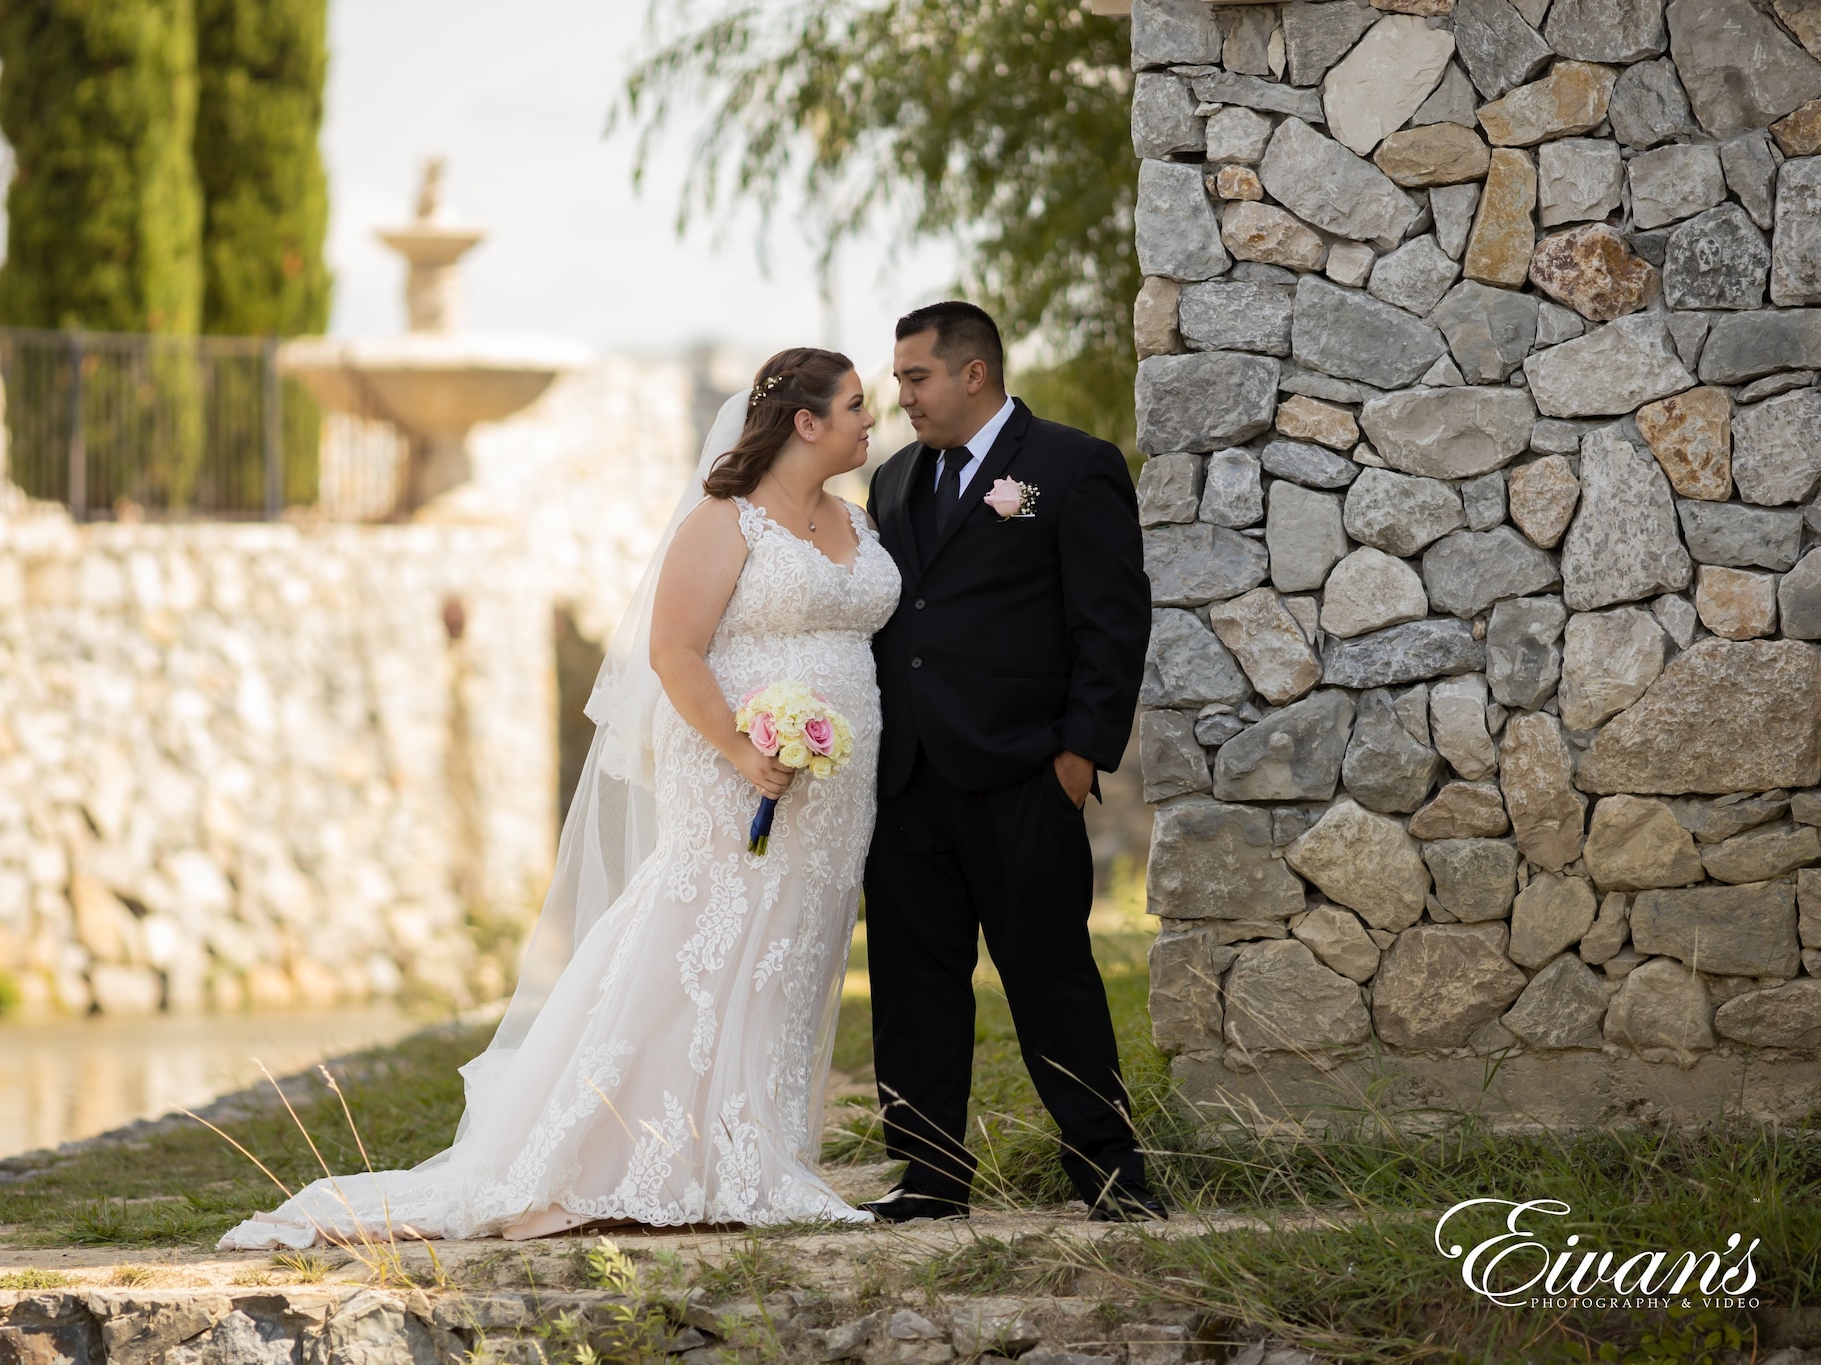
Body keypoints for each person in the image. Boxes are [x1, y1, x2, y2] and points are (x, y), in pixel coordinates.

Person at [215, 348, 899, 1247]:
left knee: (792, 950)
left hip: (834, 790)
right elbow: (675, 651)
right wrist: (742, 748)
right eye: (855, 405)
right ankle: (640, 1152)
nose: (868, 419)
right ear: (805, 422)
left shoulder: (854, 517)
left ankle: (746, 1143)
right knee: (707, 939)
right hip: (738, 769)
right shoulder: (723, 523)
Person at [859, 301, 1165, 1224]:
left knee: (1051, 977)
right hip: (909, 782)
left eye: (916, 377)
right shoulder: (892, 481)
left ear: (973, 374)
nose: (901, 395)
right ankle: (928, 1177)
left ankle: (1112, 1173)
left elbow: (1112, 625)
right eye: (900, 378)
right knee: (912, 988)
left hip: (1025, 776)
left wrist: (1077, 758)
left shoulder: (1072, 466)